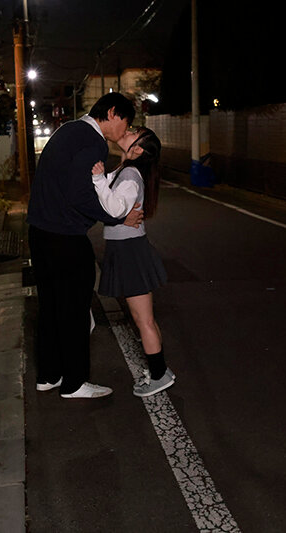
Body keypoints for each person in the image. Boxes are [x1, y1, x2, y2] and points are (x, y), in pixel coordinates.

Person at [27, 92, 142, 399]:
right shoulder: (94, 142)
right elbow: (81, 194)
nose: (125, 130)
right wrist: (117, 218)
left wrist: (115, 171)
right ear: (113, 113)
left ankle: (49, 375)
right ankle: (74, 382)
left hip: (39, 234)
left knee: (50, 307)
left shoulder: (68, 130)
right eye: (127, 123)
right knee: (74, 310)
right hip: (65, 239)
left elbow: (80, 182)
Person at [90, 126, 173, 397]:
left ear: (137, 149)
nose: (127, 130)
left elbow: (114, 208)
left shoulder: (129, 174)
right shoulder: (126, 169)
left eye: (133, 132)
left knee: (143, 319)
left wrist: (99, 179)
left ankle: (159, 375)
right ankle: (160, 370)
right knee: (144, 318)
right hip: (128, 248)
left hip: (129, 251)